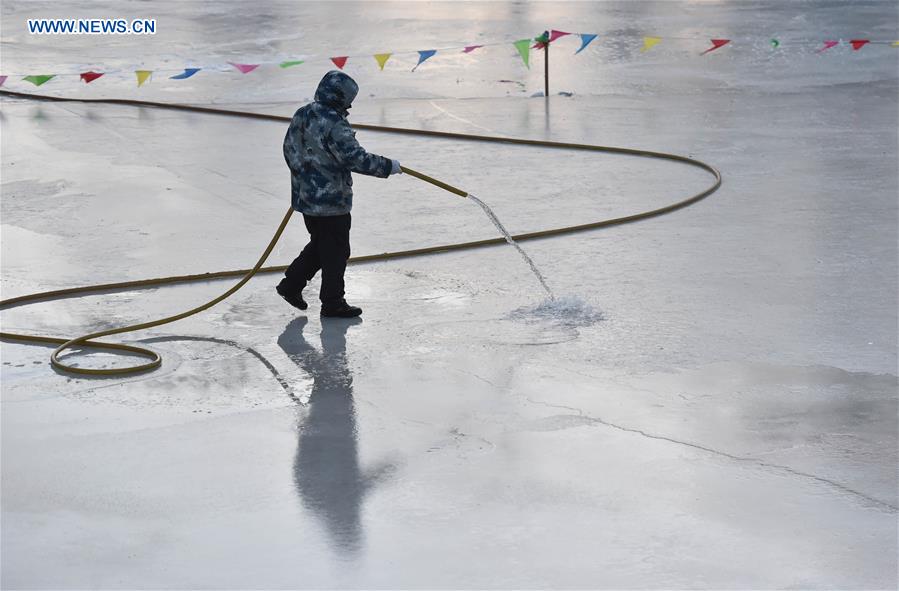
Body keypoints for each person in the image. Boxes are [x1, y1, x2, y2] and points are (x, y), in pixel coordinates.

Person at [278, 70, 402, 318]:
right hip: (331, 201)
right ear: (340, 97)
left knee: (323, 245)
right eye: (348, 99)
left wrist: (304, 177)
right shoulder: (334, 123)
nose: (350, 104)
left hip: (307, 198)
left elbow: (289, 148)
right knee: (336, 252)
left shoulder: (303, 113)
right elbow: (355, 158)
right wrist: (388, 166)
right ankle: (332, 302)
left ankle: (291, 285)